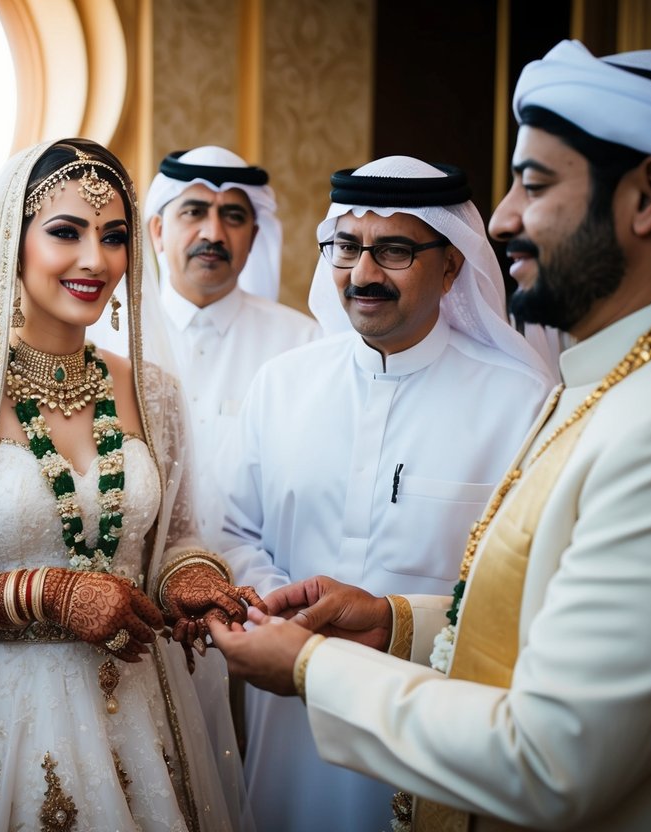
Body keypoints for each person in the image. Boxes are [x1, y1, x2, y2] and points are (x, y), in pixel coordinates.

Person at [210, 41, 651, 831]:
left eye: (536, 182)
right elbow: (532, 617)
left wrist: (313, 663)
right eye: (347, 247)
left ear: (649, 194)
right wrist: (388, 620)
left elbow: (553, 759)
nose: (507, 216)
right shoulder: (614, 384)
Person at [0, 138, 263, 831]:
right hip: (0, 718)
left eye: (113, 237)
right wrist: (44, 593)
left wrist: (189, 579)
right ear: (10, 244)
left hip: (141, 710)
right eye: (65, 232)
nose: (94, 260)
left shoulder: (154, 394)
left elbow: (177, 536)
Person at [219, 156, 558, 831]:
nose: (363, 274)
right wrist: (273, 606)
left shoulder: (519, 403)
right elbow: (235, 531)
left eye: (394, 250)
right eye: (346, 247)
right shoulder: (281, 384)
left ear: (452, 263)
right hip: (289, 714)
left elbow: (524, 589)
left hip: (437, 721)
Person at [145, 146, 319, 546]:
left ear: (254, 236)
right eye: (194, 212)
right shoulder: (110, 337)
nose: (213, 234)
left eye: (233, 216)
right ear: (157, 231)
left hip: (256, 591)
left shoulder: (303, 345)